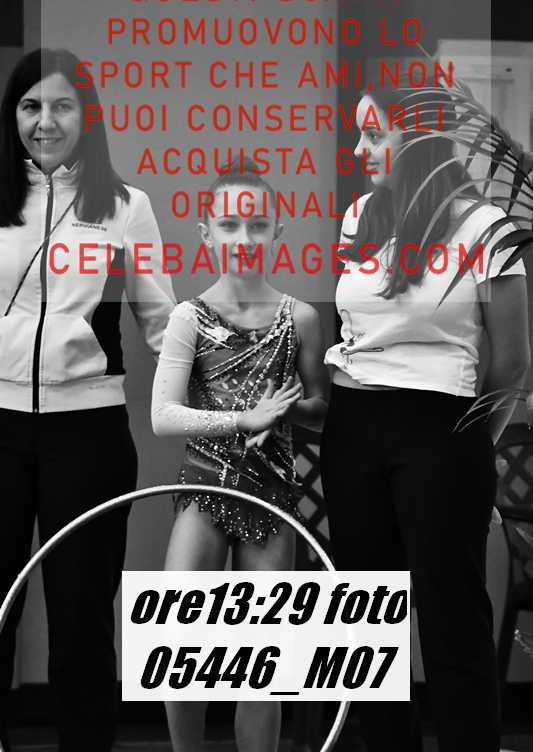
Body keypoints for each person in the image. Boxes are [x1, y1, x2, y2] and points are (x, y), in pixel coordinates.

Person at [320, 82, 530, 751]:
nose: (360, 149)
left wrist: (468, 447)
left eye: (373, 133)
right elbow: (353, 328)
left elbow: (512, 364)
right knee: (365, 622)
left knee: (451, 618)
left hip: (443, 431)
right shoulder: (358, 215)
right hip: (354, 426)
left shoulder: (487, 228)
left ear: (416, 139)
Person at [0, 48, 175, 752]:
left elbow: (161, 324)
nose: (45, 121)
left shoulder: (127, 207)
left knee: (81, 620)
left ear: (87, 116)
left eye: (61, 106)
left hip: (89, 434)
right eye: (30, 106)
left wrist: (224, 399)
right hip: (0, 427)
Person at [151, 161, 329, 752]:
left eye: (257, 225)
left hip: (272, 495)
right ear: (207, 234)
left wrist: (286, 411)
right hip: (204, 488)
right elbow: (163, 416)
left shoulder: (301, 318)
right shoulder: (189, 317)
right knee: (179, 641)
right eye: (229, 225)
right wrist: (242, 418)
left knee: (265, 661)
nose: (243, 238)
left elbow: (321, 410)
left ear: (278, 231)